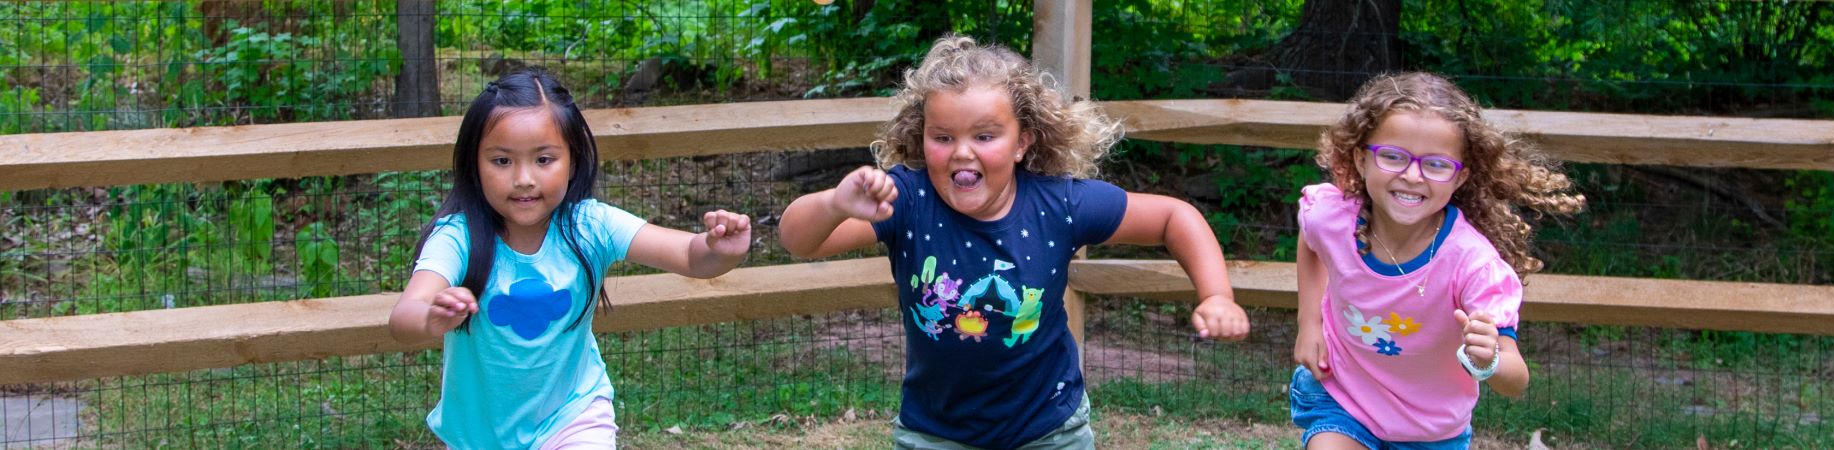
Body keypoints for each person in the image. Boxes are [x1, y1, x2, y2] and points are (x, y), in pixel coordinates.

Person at [780, 35, 1250, 450]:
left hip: (1049, 429)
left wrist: (1216, 295)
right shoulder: (907, 199)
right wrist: (835, 204)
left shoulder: (1060, 205)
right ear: (921, 139)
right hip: (935, 431)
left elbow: (1175, 216)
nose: (962, 151)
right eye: (942, 137)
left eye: (984, 135)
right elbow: (799, 241)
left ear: (1022, 141)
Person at [387, 68, 752, 449]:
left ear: (573, 161)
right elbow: (404, 317)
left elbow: (691, 257)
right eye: (502, 161)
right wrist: (430, 317)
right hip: (479, 435)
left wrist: (718, 250)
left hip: (574, 417)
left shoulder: (592, 225)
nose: (524, 178)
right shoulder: (458, 237)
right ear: (474, 166)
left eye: (544, 160)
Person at [1290, 72, 1585, 449]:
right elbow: (1310, 239)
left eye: (1436, 165)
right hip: (1342, 398)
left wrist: (1489, 359)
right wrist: (1309, 323)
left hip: (1430, 430)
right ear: (1362, 160)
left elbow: (1516, 380)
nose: (1412, 176)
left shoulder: (1473, 265)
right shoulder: (1333, 218)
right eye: (1393, 157)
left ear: (1459, 179)